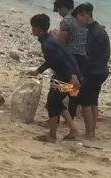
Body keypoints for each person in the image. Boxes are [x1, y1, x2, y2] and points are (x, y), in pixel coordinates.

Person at [30, 13, 82, 141]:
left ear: (38, 28)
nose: (32, 29)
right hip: (65, 75)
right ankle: (73, 130)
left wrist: (73, 76)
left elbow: (63, 60)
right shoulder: (49, 40)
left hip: (67, 78)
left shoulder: (47, 44)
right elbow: (52, 60)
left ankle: (52, 135)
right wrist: (38, 71)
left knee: (52, 103)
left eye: (33, 27)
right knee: (56, 101)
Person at [71, 3, 110, 140]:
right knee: (93, 101)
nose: (77, 21)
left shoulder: (94, 33)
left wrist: (81, 74)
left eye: (78, 18)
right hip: (102, 70)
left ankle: (89, 133)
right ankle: (92, 132)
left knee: (85, 102)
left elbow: (90, 57)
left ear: (85, 15)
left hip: (94, 71)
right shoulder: (98, 30)